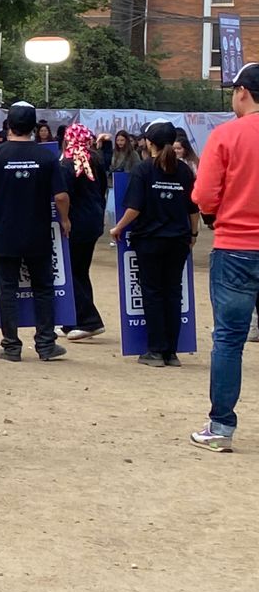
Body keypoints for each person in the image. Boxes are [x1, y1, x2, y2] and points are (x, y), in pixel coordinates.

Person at [190, 63, 259, 451]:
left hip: (236, 246)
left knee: (229, 340)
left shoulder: (226, 134)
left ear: (243, 92)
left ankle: (221, 428)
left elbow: (202, 196)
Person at [0, 101, 71, 363]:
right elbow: (61, 196)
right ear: (34, 126)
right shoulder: (46, 156)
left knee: (7, 288)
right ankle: (46, 344)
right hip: (38, 232)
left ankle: (11, 347)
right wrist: (64, 220)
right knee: (43, 288)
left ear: (9, 126)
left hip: (4, 230)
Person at [111, 120, 197, 368]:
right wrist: (192, 235)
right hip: (179, 240)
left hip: (149, 240)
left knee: (152, 293)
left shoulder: (144, 169)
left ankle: (156, 351)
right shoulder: (183, 171)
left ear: (149, 142)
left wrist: (118, 227)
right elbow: (193, 209)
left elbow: (134, 208)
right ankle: (172, 352)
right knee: (173, 293)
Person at [58, 122, 109, 343]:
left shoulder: (67, 165)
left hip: (77, 223)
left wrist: (65, 218)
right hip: (94, 220)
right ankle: (72, 319)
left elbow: (63, 196)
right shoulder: (95, 162)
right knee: (80, 270)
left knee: (71, 271)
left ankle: (90, 320)